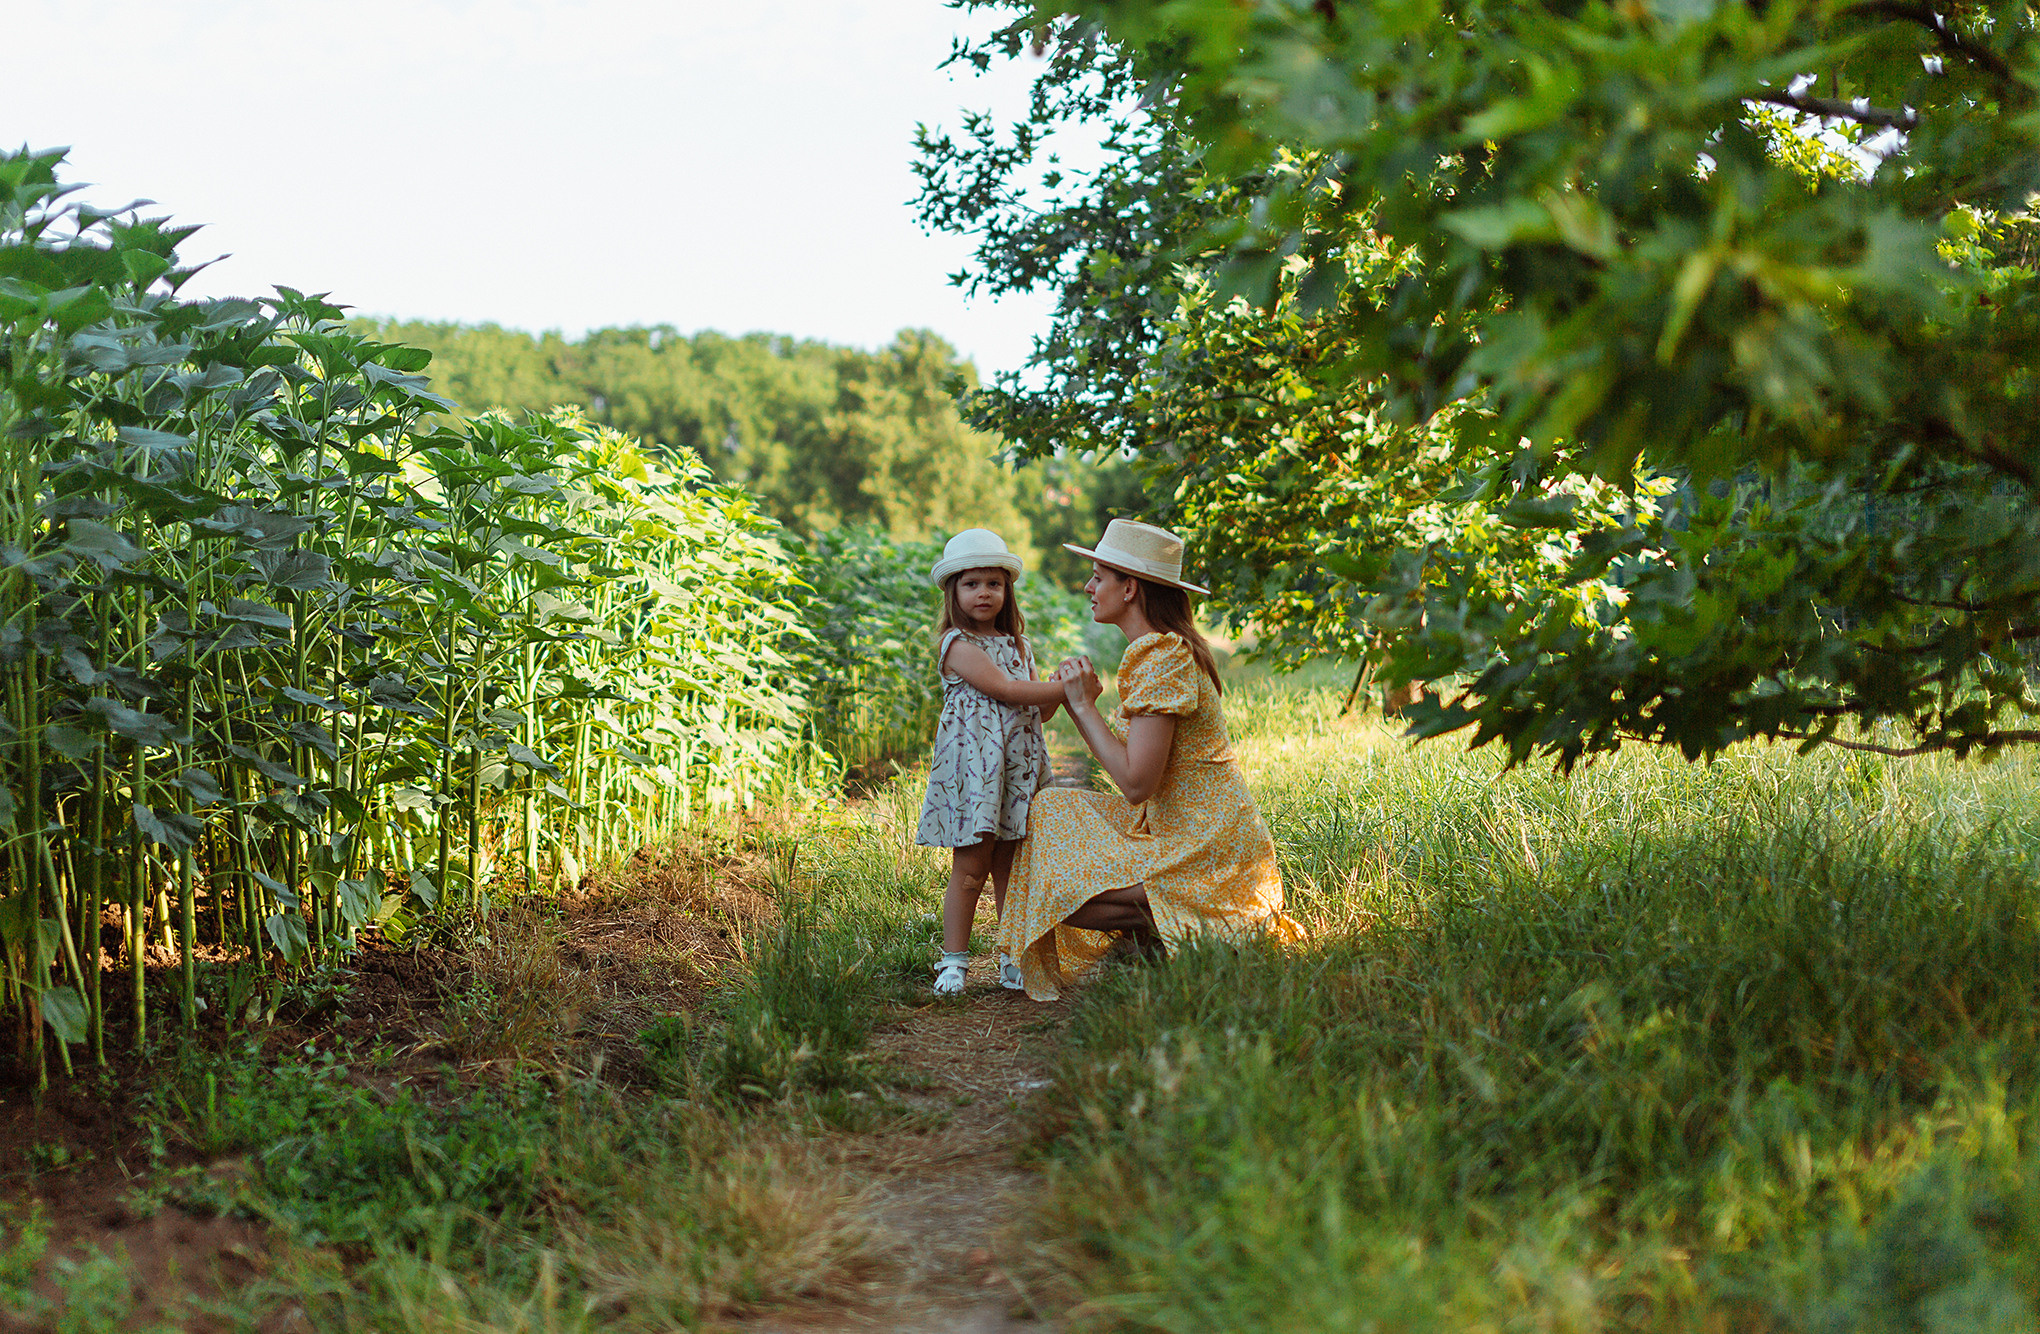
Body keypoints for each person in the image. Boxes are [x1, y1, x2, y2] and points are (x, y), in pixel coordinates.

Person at [998, 519, 1304, 1000]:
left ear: (1130, 588)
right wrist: (1082, 704)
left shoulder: (1164, 657)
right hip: (1172, 828)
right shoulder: (1156, 652)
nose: (1088, 586)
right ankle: (1169, 926)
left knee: (1062, 891)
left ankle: (1208, 914)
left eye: (1099, 576)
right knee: (1051, 812)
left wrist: (1081, 705)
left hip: (1206, 841)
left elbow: (1136, 782)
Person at [914, 528, 1067, 995]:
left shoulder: (1021, 647)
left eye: (994, 584)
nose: (984, 593)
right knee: (970, 869)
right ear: (953, 592)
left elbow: (1037, 709)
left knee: (1013, 871)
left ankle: (1012, 957)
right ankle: (954, 961)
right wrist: (1068, 687)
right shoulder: (958, 646)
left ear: (1007, 590)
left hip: (1017, 771)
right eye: (972, 583)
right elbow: (1005, 691)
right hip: (978, 774)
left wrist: (1059, 687)